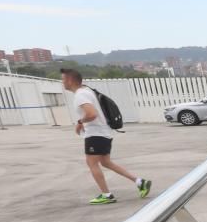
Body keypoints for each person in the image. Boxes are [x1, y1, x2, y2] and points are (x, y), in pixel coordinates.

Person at [61, 68, 150, 206]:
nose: (62, 83)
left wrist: (80, 122)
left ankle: (107, 195)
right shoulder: (87, 91)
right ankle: (140, 182)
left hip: (96, 134)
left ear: (70, 80)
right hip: (103, 132)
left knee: (92, 163)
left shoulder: (81, 95)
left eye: (63, 79)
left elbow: (91, 114)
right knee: (106, 162)